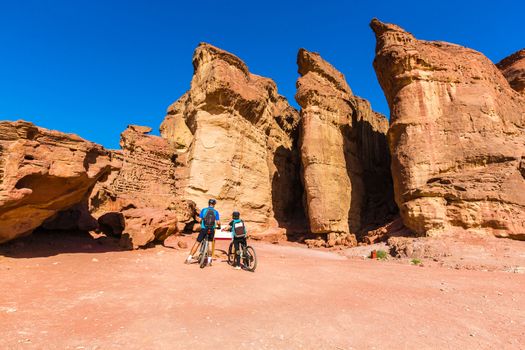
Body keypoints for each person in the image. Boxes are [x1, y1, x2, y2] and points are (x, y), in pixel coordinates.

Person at [185, 199, 221, 265]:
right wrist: (219, 226)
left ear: (208, 203)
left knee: (197, 243)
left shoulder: (204, 210)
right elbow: (218, 222)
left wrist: (202, 223)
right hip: (211, 229)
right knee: (210, 243)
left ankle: (189, 259)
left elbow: (200, 219)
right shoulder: (216, 212)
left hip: (204, 228)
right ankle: (209, 261)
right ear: (214, 204)